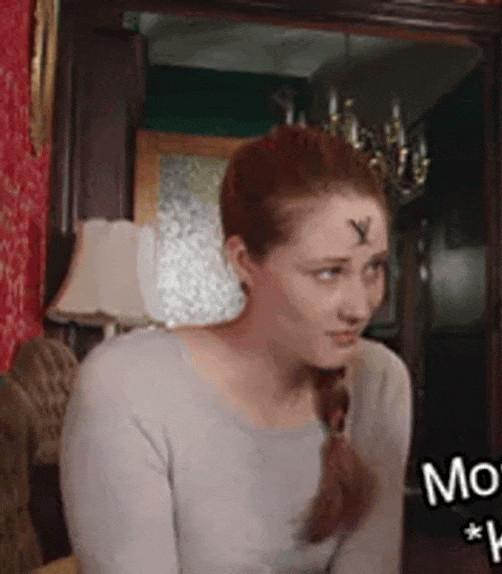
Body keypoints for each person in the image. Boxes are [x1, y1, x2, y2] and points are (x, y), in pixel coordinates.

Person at [60, 125, 412, 574]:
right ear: (244, 261)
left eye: (374, 268)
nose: (360, 307)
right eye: (328, 272)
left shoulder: (379, 379)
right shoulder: (127, 387)